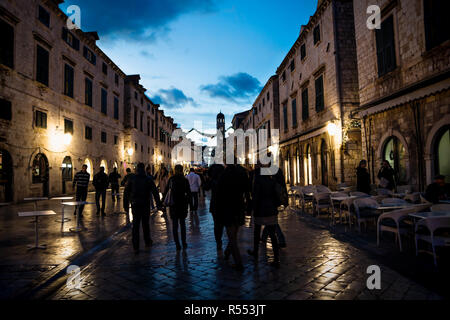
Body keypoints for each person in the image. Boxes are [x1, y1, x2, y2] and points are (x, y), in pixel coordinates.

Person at [216, 162, 251, 271]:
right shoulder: (242, 174)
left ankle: (238, 263)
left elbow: (219, 194)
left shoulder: (223, 175)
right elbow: (247, 190)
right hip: (239, 207)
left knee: (232, 237)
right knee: (234, 234)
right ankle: (227, 252)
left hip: (228, 208)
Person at [248, 164, 282, 268]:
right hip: (271, 209)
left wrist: (252, 208)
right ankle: (276, 259)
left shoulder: (258, 182)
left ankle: (255, 251)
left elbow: (256, 196)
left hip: (261, 210)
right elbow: (277, 195)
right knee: (272, 234)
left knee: (257, 232)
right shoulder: (272, 181)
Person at [124, 163, 162, 254]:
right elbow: (155, 192)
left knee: (135, 226)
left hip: (135, 205)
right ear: (144, 169)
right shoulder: (148, 179)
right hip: (145, 204)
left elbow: (126, 193)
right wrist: (159, 204)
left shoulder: (132, 179)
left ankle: (135, 246)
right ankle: (147, 241)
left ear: (137, 169)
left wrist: (125, 206)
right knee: (145, 224)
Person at [163, 164, 191, 251]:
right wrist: (188, 203)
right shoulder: (185, 180)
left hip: (173, 205)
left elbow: (166, 191)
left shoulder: (171, 179)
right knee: (182, 225)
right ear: (182, 170)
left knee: (175, 225)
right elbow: (188, 193)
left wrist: (162, 202)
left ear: (175, 170)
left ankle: (177, 244)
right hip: (182, 205)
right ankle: (184, 242)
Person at [260, 165, 287, 248]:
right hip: (276, 199)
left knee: (272, 221)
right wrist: (285, 198)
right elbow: (283, 184)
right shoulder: (277, 169)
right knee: (271, 220)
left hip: (270, 200)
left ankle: (281, 240)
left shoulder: (267, 171)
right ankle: (264, 237)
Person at [206, 163, 225, 251]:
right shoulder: (225, 179)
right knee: (225, 224)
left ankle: (218, 242)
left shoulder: (212, 180)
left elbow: (205, 187)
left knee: (217, 225)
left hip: (215, 205)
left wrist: (208, 178)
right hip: (224, 204)